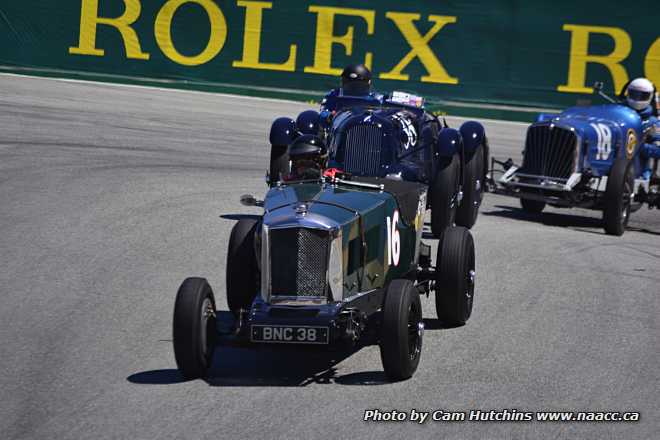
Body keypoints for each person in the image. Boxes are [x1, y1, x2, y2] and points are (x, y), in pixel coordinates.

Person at [624, 78, 660, 185]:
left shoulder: (653, 123)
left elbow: (658, 151)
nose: (637, 99)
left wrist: (636, 146)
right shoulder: (617, 114)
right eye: (634, 94)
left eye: (642, 96)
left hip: (637, 175)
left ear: (649, 96)